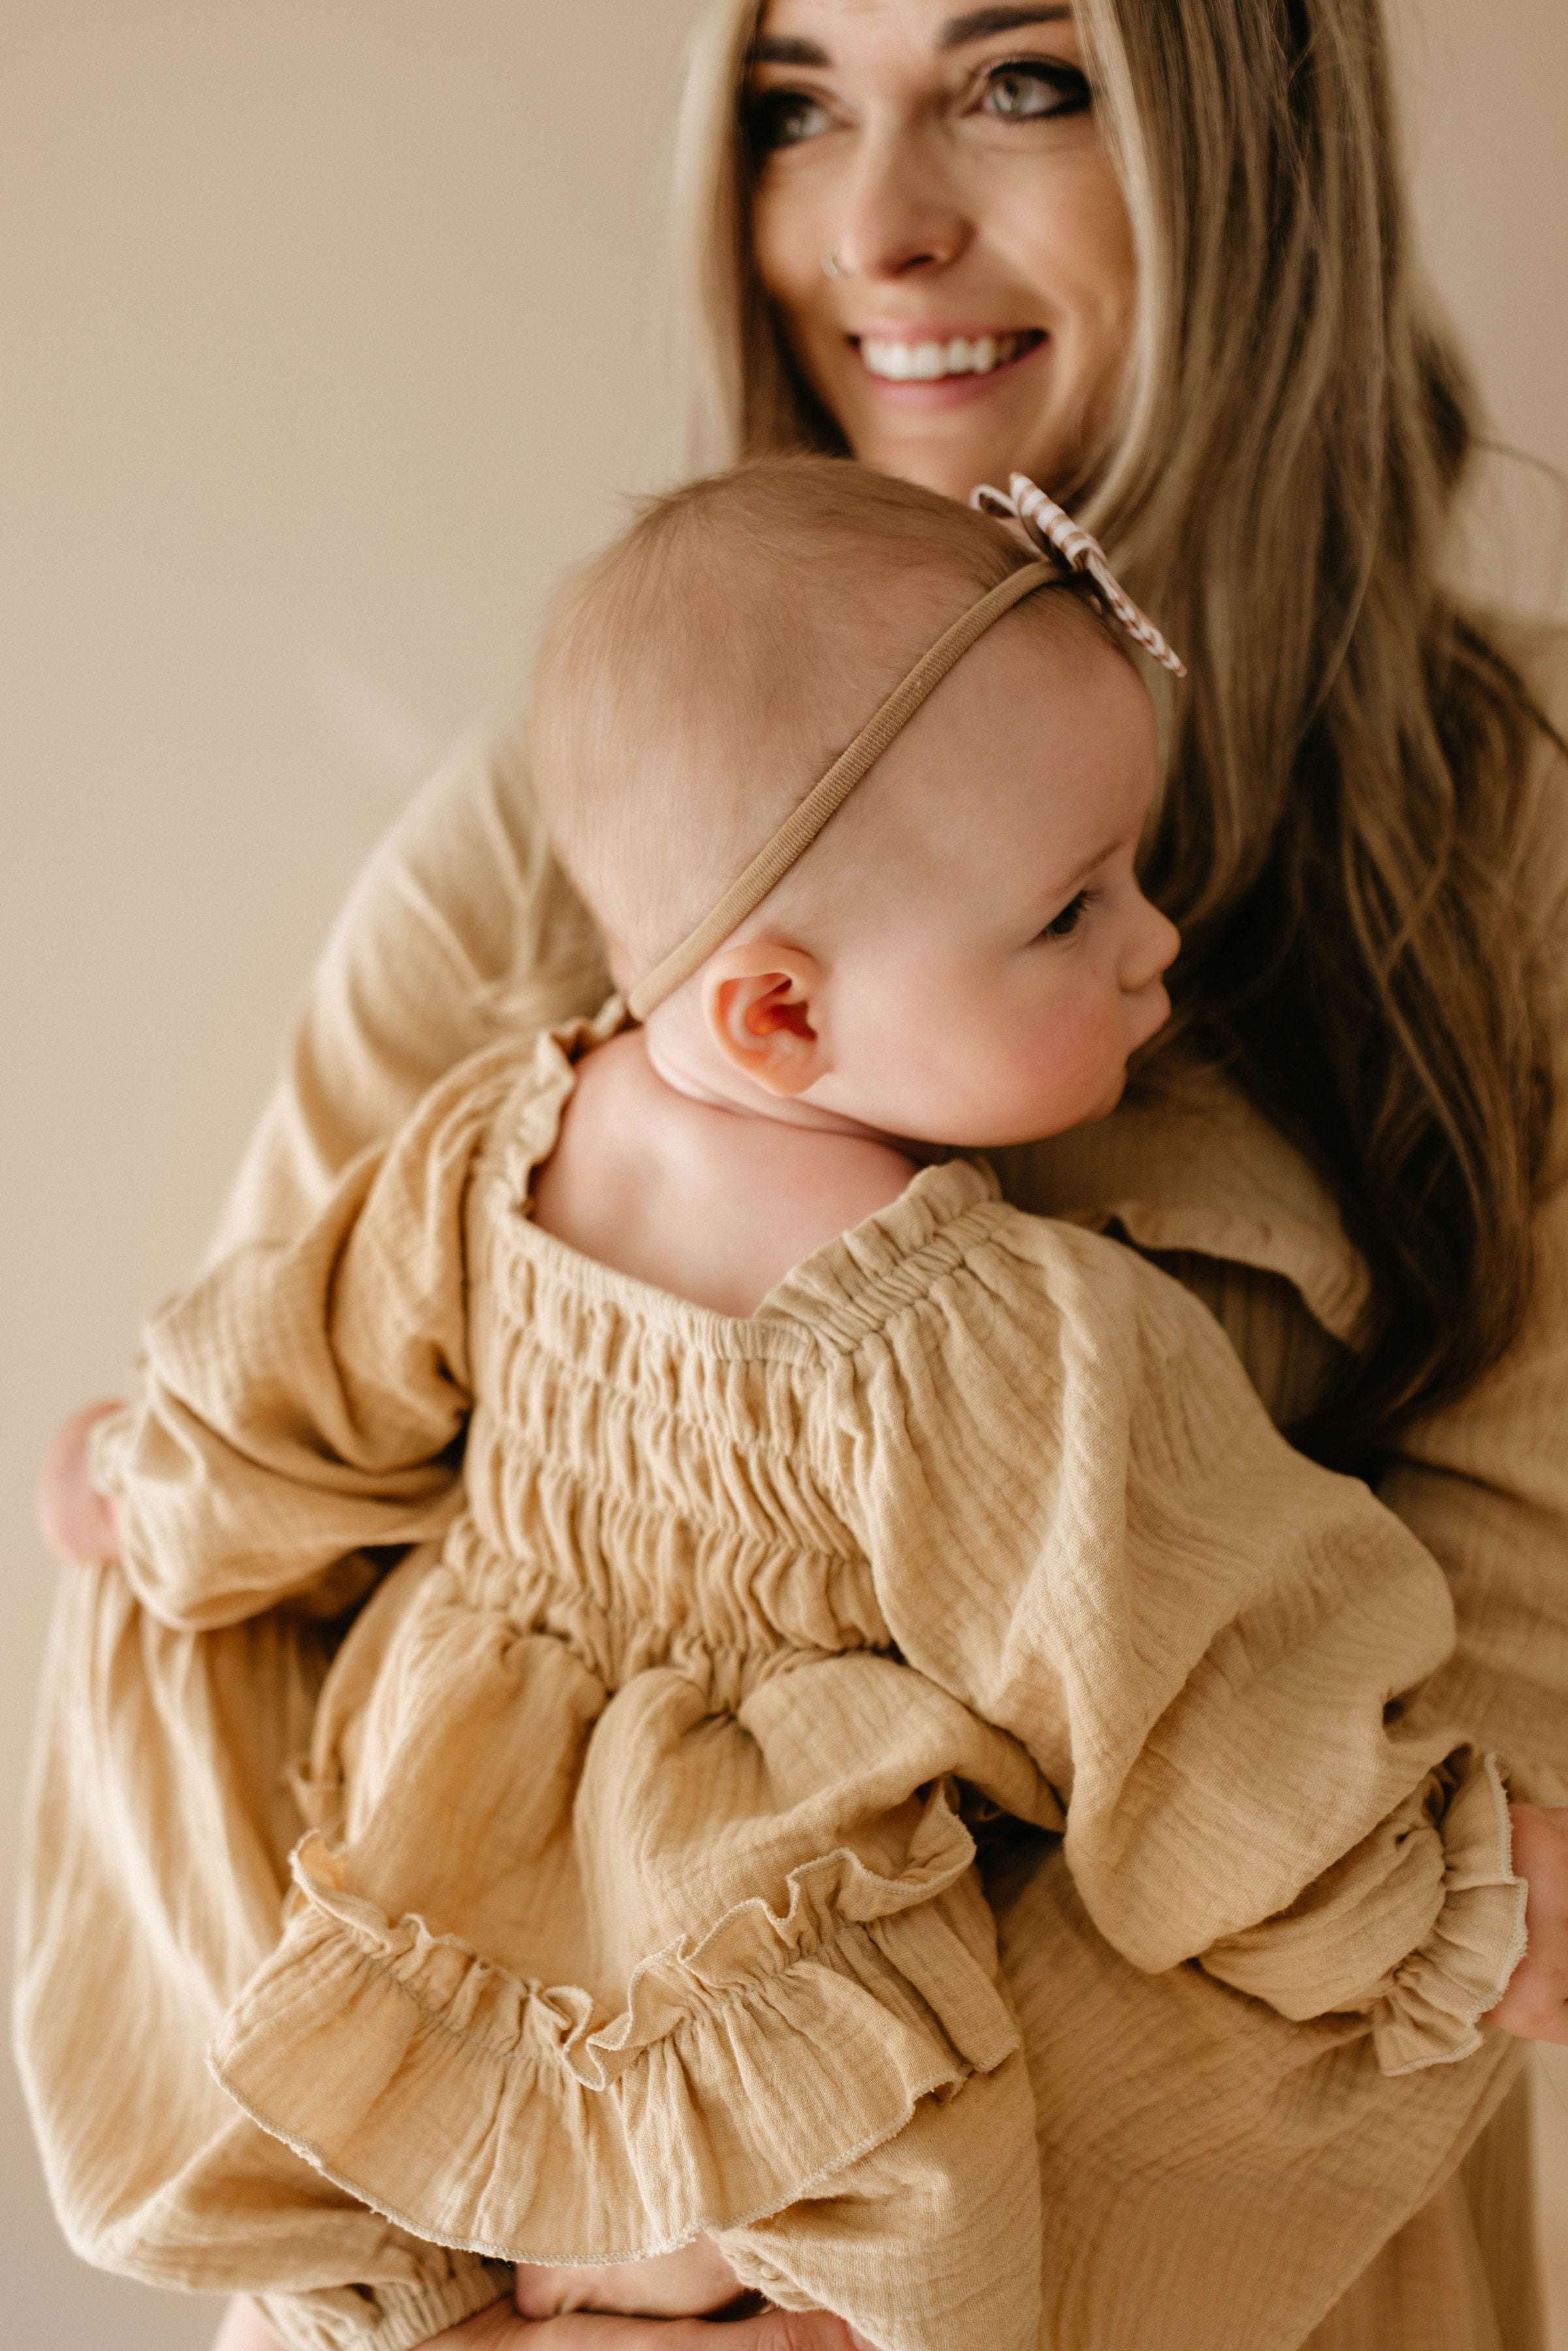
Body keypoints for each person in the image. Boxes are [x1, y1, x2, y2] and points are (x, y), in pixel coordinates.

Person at [22, 3, 1568, 2348]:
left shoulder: (1505, 838)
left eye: (1021, 77)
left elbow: (1415, 1723)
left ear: (1244, 138)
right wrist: (437, 2271)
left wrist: (812, 2275)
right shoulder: (548, 862)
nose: (872, 226)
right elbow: (231, 1615)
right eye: (791, 102)